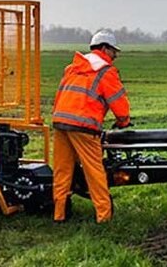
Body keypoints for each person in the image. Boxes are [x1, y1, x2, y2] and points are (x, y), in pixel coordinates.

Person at [51, 29, 131, 223]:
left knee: (62, 171)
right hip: (84, 127)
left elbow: (61, 94)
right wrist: (124, 122)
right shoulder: (105, 70)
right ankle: (104, 217)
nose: (116, 55)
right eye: (113, 51)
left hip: (61, 122)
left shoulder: (73, 67)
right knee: (94, 172)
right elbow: (118, 102)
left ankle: (59, 214)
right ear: (104, 48)